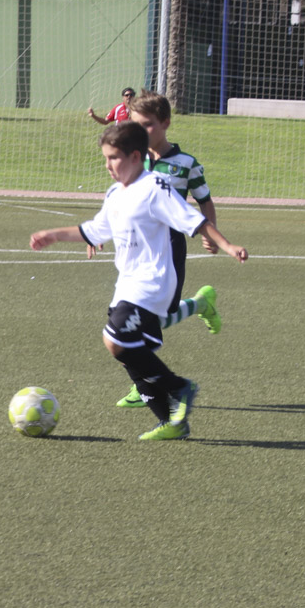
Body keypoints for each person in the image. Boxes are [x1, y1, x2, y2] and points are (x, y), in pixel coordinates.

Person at [30, 122, 248, 441]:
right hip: (128, 284)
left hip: (153, 281)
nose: (108, 165)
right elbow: (95, 230)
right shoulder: (116, 193)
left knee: (115, 340)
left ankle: (179, 387)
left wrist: (228, 246)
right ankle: (170, 421)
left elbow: (195, 220)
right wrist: (53, 235)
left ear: (136, 156)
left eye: (114, 158)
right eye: (105, 158)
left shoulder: (154, 187)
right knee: (130, 354)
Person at [110, 89, 223, 409]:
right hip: (135, 248)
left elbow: (205, 201)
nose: (139, 132)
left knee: (151, 319)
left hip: (169, 248)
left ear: (165, 123)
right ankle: (143, 381)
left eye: (146, 125)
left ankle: (200, 306)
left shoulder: (186, 165)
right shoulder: (135, 158)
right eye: (134, 125)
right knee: (131, 318)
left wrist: (210, 234)